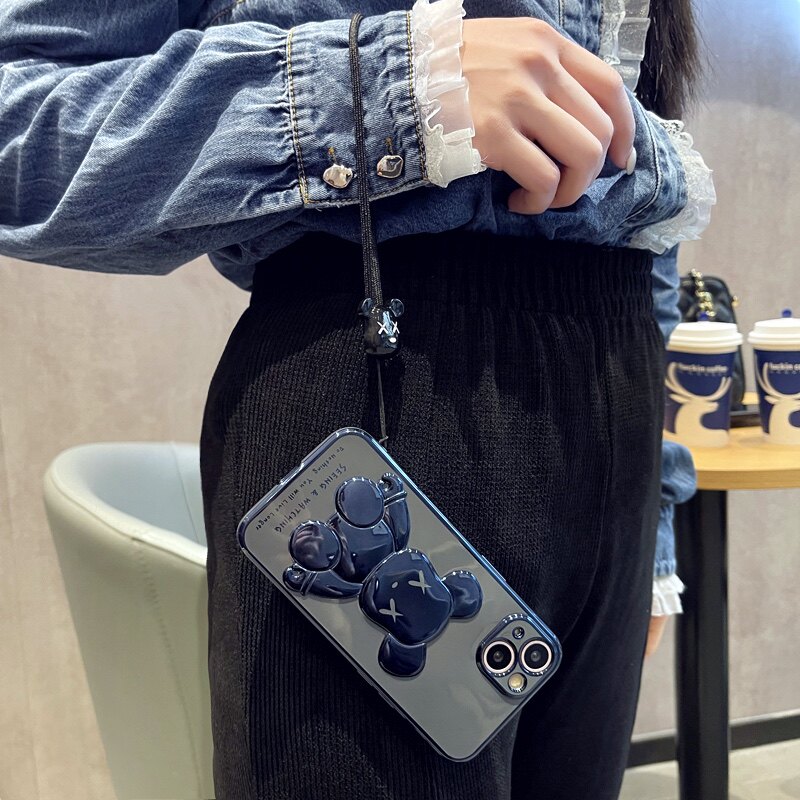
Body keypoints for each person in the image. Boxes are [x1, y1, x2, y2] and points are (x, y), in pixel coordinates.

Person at [0, 0, 713, 797]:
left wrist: (653, 515)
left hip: (612, 417)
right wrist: (400, 88)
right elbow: (18, 123)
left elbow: (642, 200)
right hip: (379, 384)